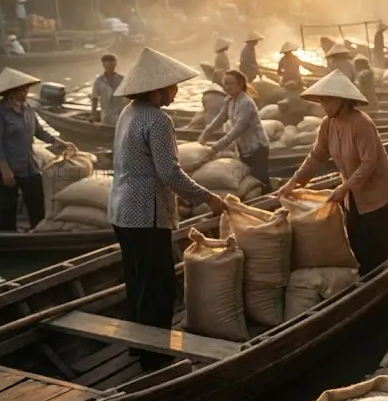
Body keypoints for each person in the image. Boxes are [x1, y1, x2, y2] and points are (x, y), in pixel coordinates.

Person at [110, 49, 225, 364]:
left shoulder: (128, 113)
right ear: (155, 90)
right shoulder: (158, 119)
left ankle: (138, 346)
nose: (175, 92)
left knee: (137, 281)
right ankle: (155, 358)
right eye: (172, 87)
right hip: (145, 213)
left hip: (121, 210)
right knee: (158, 286)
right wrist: (207, 197)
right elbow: (169, 172)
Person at [276, 70, 388, 275]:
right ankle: (363, 282)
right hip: (352, 195)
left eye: (328, 100)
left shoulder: (362, 123)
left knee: (375, 251)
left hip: (376, 194)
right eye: (322, 100)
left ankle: (379, 285)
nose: (324, 105)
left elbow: (369, 163)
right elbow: (316, 156)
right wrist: (294, 181)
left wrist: (344, 188)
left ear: (342, 100)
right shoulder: (328, 124)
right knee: (356, 244)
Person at [0, 68, 74, 232]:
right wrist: (5, 170)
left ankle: (37, 233)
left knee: (37, 204)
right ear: (11, 92)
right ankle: (7, 238)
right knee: (7, 208)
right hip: (7, 168)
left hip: (29, 165)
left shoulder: (27, 108)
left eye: (26, 89)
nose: (26, 92)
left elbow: (39, 131)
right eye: (22, 90)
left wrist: (58, 142)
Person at [198, 70, 271, 190]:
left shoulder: (246, 103)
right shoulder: (230, 101)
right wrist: (206, 133)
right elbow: (220, 118)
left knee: (261, 180)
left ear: (240, 84)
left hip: (257, 147)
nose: (228, 87)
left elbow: (237, 130)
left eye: (231, 83)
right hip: (243, 147)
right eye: (226, 83)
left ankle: (269, 198)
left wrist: (215, 147)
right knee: (249, 179)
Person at [90, 53, 126, 125]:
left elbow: (130, 97)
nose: (110, 67)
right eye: (108, 64)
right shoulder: (99, 81)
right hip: (106, 116)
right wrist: (93, 115)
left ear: (115, 64)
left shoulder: (122, 79)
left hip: (121, 116)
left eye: (112, 64)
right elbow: (94, 99)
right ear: (103, 65)